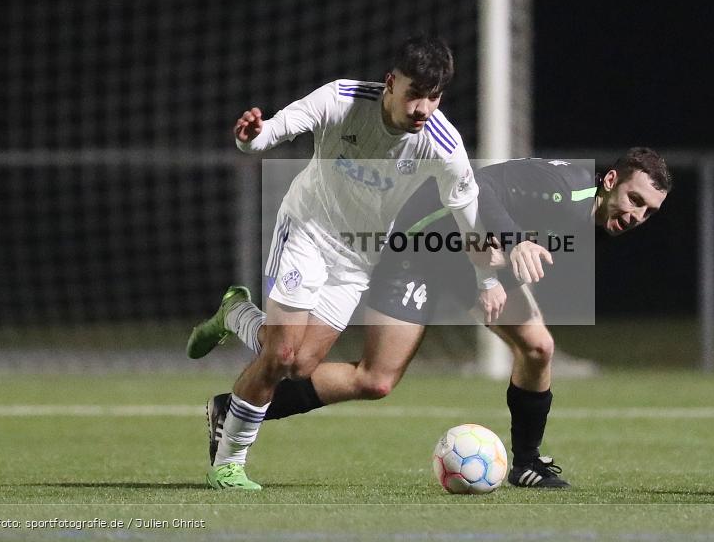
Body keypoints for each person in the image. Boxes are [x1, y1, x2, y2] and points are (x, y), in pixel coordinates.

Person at [197, 148, 672, 488]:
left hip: (466, 255)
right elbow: (478, 188)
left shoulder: (586, 212)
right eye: (635, 200)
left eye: (648, 212)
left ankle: (527, 462)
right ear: (611, 181)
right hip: (416, 248)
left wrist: (489, 273)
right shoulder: (563, 188)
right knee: (374, 379)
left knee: (538, 347)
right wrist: (511, 247)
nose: (637, 216)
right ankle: (236, 399)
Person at [188, 35, 506, 490]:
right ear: (390, 82)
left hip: (358, 257)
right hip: (306, 230)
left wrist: (487, 278)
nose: (423, 109)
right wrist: (251, 140)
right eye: (415, 93)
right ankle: (229, 462)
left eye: (433, 98)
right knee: (279, 355)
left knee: (299, 365)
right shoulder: (341, 99)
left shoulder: (442, 144)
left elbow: (469, 215)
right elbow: (277, 129)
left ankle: (235, 313)